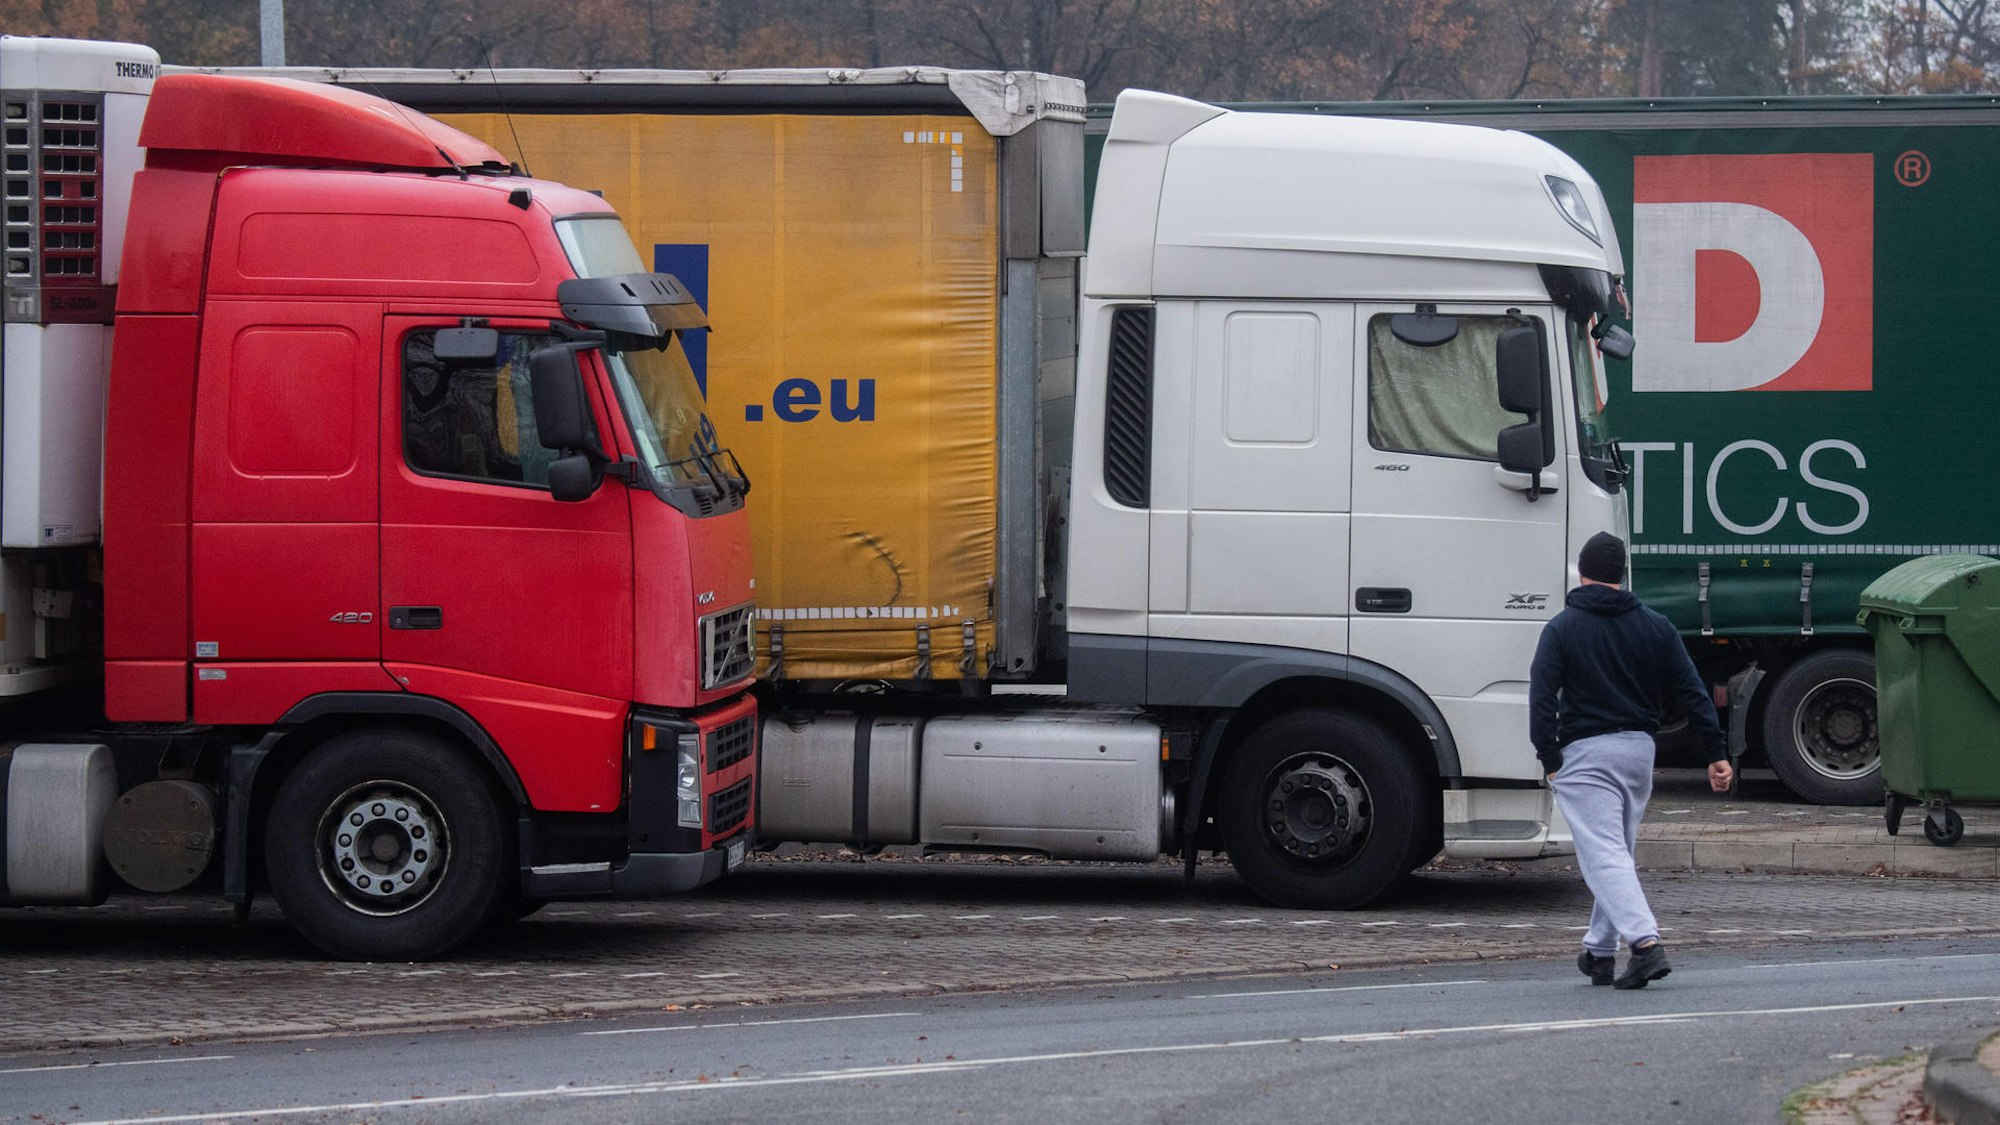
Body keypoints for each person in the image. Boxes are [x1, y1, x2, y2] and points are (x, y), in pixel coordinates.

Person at [1529, 531, 1732, 990]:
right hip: (1639, 751)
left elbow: (1541, 698)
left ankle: (1645, 945)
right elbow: (1692, 691)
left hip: (1585, 752)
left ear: (1582, 573)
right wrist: (1716, 754)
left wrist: (1549, 756)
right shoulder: (1656, 626)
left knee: (1602, 854)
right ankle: (1599, 953)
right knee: (1615, 851)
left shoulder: (1562, 628)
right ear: (1622, 575)